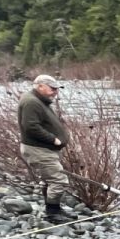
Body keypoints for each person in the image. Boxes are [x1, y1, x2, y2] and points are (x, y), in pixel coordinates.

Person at [17, 74, 72, 223]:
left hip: (43, 149)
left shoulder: (39, 100)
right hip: (38, 149)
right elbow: (31, 127)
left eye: (57, 89)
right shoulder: (31, 102)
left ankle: (55, 208)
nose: (56, 92)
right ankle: (52, 213)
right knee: (58, 180)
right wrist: (53, 139)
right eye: (52, 88)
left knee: (49, 179)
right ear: (40, 86)